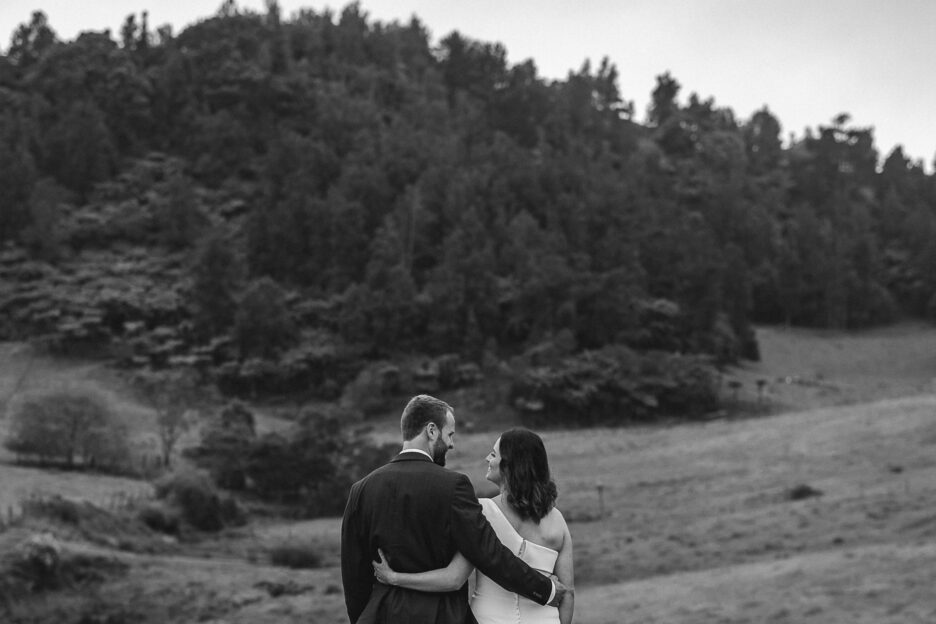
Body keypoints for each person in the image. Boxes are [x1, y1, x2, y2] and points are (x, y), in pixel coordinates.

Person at [341, 395, 570, 624]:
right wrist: (545, 589)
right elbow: (489, 554)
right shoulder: (453, 486)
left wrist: (363, 618)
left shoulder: (361, 490)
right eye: (449, 434)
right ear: (431, 431)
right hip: (440, 615)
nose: (451, 444)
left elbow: (354, 575)